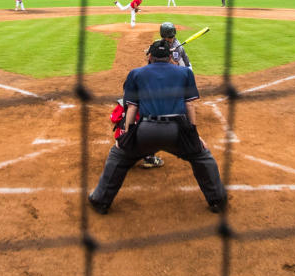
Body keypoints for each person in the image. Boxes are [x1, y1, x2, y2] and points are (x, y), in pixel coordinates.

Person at [88, 39, 226, 214]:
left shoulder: (136, 74)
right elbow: (190, 106)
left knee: (118, 156)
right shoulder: (185, 73)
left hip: (146, 130)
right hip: (177, 131)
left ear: (150, 57)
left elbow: (131, 108)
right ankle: (217, 201)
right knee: (202, 158)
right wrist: (193, 134)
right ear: (170, 57)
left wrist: (126, 136)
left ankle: (101, 201)